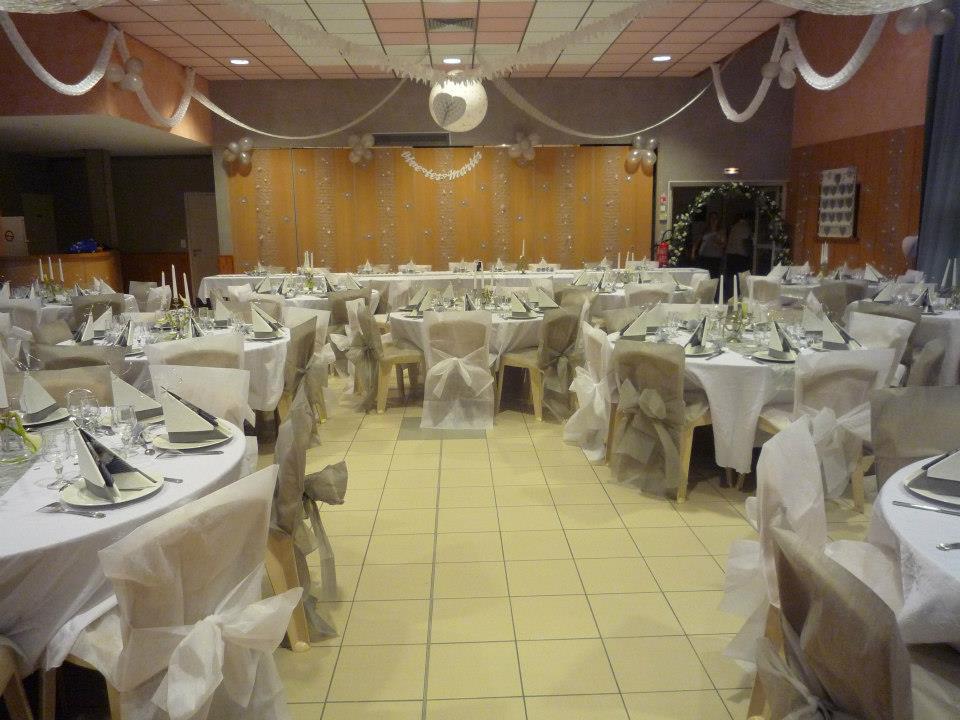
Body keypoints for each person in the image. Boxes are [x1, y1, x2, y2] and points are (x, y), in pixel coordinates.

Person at [724, 214, 752, 298]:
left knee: (730, 278)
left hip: (730, 255)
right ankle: (739, 296)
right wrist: (749, 253)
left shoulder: (734, 226)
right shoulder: (745, 227)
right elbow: (745, 242)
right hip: (740, 256)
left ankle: (729, 296)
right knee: (741, 279)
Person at [697, 212, 725, 279]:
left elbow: (723, 244)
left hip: (715, 258)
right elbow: (699, 240)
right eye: (712, 218)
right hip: (704, 256)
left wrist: (716, 243)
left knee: (714, 276)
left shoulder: (721, 231)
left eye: (715, 218)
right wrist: (693, 251)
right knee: (704, 276)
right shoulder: (706, 230)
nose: (713, 220)